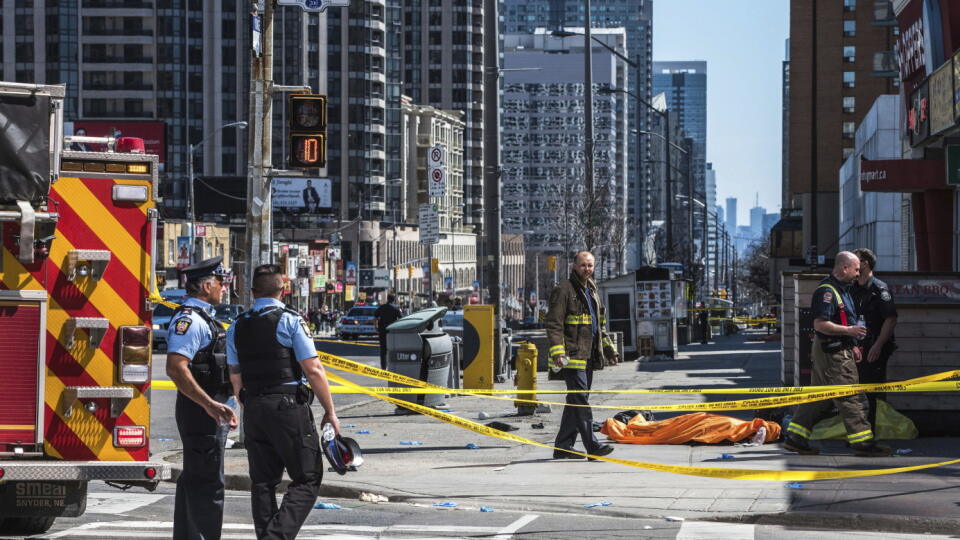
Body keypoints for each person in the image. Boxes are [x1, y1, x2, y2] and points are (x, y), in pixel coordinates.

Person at [227, 264, 340, 539]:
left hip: (254, 406)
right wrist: (330, 410)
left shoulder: (236, 326)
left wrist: (247, 404)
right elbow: (313, 369)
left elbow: (235, 374)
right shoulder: (290, 320)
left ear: (252, 292)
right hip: (288, 407)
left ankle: (268, 534)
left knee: (263, 482)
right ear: (283, 289)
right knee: (308, 476)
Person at [783, 251, 891, 457]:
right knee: (852, 397)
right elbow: (820, 324)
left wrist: (853, 344)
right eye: (856, 269)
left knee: (820, 398)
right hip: (834, 353)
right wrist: (849, 332)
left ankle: (796, 438)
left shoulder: (843, 290)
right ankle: (864, 443)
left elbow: (842, 319)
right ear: (844, 268)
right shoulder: (828, 292)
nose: (858, 273)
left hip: (833, 350)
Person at [165, 256, 237, 540]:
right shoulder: (190, 320)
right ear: (206, 286)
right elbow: (175, 367)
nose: (223, 287)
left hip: (207, 408)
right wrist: (209, 404)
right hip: (200, 411)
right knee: (208, 482)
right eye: (220, 281)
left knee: (196, 477)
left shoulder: (204, 317)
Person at [546, 250, 619, 460]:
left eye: (590, 265)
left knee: (576, 401)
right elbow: (554, 324)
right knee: (581, 402)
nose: (587, 269)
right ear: (574, 266)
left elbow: (599, 327)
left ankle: (563, 447)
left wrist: (609, 350)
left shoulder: (592, 291)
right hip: (571, 356)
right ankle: (592, 446)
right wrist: (557, 353)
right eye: (583, 265)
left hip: (589, 356)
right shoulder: (564, 290)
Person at [852, 247, 898, 428]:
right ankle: (857, 433)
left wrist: (878, 345)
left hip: (873, 348)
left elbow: (891, 318)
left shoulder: (879, 289)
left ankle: (868, 435)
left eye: (856, 261)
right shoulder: (852, 288)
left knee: (869, 393)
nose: (853, 265)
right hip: (856, 347)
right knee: (853, 393)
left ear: (865, 263)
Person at [374, 294, 404, 371]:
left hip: (382, 330)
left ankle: (383, 367)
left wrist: (376, 327)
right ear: (393, 300)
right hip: (392, 331)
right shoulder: (396, 308)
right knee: (393, 348)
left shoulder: (381, 307)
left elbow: (375, 317)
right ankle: (392, 366)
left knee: (383, 350)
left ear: (387, 299)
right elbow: (401, 319)